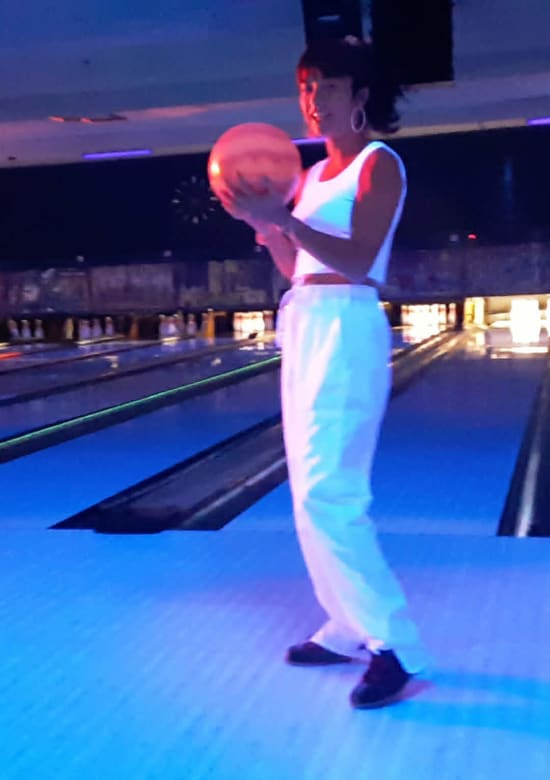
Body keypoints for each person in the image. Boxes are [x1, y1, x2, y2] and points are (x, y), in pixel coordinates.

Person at [215, 36, 427, 709]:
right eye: (306, 87)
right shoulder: (305, 176)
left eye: (327, 86)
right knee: (308, 491)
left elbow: (360, 259)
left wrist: (285, 219)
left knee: (331, 492)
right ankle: (343, 626)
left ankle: (393, 646)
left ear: (359, 95)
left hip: (346, 323)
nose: (313, 99)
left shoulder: (378, 164)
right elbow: (295, 267)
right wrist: (264, 226)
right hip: (305, 318)